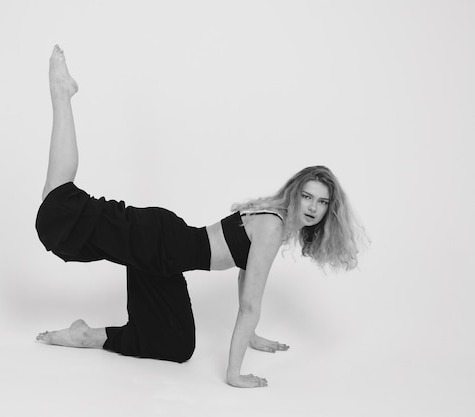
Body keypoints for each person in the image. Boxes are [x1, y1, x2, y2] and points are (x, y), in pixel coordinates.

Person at [35, 45, 365, 388]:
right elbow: (250, 305)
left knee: (175, 345)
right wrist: (234, 374)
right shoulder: (273, 225)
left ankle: (86, 335)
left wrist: (252, 337)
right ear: (295, 193)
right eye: (308, 196)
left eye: (322, 202)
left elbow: (244, 274)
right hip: (158, 241)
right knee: (58, 207)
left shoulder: (276, 224)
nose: (312, 207)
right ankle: (62, 94)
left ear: (330, 211)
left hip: (164, 255)